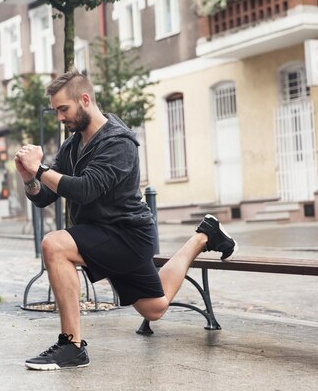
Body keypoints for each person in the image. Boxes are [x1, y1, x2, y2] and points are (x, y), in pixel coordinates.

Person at [14, 70, 237, 371]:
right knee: (154, 307)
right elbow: (45, 196)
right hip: (101, 234)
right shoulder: (73, 145)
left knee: (54, 244)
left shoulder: (119, 142)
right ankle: (203, 236)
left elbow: (85, 189)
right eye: (56, 111)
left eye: (63, 109)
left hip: (127, 236)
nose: (60, 118)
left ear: (84, 100)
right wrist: (30, 178)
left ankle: (72, 346)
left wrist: (39, 168)